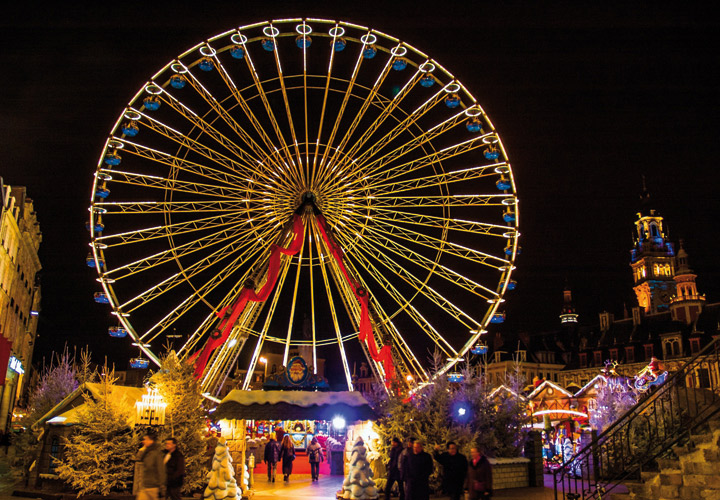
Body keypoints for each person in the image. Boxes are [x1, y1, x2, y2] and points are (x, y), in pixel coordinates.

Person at [136, 432, 166, 500]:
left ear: (151, 441)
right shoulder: (146, 452)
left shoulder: (156, 454)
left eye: (146, 439)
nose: (143, 441)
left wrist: (162, 486)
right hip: (145, 486)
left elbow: (161, 471)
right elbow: (139, 459)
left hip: (153, 488)